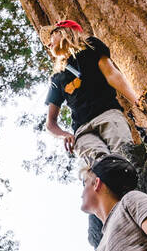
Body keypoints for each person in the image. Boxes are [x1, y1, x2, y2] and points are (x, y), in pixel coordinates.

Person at [42, 20, 139, 165]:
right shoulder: (57, 77)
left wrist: (137, 101)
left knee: (125, 159)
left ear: (62, 32)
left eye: (51, 37)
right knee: (101, 170)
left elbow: (112, 74)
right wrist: (64, 135)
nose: (48, 45)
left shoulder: (91, 47)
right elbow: (50, 122)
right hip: (82, 132)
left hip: (108, 115)